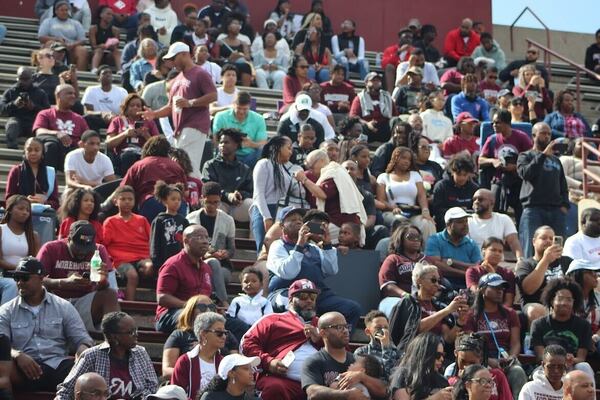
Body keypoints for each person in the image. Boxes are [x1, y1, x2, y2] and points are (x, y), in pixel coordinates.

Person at [0, 256, 94, 392]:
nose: (20, 282)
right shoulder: (6, 310)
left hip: (58, 366)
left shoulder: (63, 306)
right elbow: (1, 344)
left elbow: (82, 339)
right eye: (17, 278)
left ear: (41, 278)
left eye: (25, 278)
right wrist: (17, 354)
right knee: (3, 369)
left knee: (88, 368)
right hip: (23, 369)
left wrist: (82, 350)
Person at [267, 207, 362, 326]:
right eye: (292, 219)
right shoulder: (278, 246)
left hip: (315, 295)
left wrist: (327, 245)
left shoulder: (313, 247)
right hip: (286, 293)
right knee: (294, 305)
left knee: (352, 309)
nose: (298, 222)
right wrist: (299, 245)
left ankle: (333, 342)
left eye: (300, 220)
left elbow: (332, 270)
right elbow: (289, 272)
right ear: (282, 227)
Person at [140, 42, 217, 180]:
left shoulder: (200, 73)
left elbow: (213, 95)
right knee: (185, 166)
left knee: (185, 165)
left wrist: (190, 103)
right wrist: (154, 114)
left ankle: (192, 197)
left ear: (184, 54)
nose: (171, 63)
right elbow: (171, 107)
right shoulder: (176, 79)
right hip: (180, 129)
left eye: (173, 58)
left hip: (195, 125)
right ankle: (198, 192)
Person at [240, 279, 322, 400]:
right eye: (303, 296)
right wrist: (268, 362)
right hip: (283, 381)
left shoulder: (324, 323)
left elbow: (342, 351)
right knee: (275, 387)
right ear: (290, 299)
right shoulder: (273, 320)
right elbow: (246, 343)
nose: (309, 300)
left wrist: (321, 340)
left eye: (313, 297)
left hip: (320, 384)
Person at [38, 220, 120, 331]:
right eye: (78, 248)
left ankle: (112, 341)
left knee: (110, 294)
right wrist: (62, 283)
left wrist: (103, 281)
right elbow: (35, 280)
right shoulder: (50, 248)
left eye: (87, 249)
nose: (82, 252)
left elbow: (107, 287)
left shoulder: (99, 250)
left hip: (85, 302)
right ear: (69, 239)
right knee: (36, 290)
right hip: (55, 300)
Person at [56, 311, 158, 400]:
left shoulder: (140, 353)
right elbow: (66, 390)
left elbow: (152, 387)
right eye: (131, 332)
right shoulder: (91, 356)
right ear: (114, 337)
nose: (136, 334)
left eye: (136, 330)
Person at [463, 273, 527, 397]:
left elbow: (515, 342)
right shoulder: (472, 315)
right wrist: (488, 360)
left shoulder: (510, 313)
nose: (500, 291)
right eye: (495, 288)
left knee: (517, 371)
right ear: (482, 289)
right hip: (481, 360)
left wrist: (511, 357)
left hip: (506, 358)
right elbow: (469, 346)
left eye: (502, 288)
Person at [301, 311, 386, 400]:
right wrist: (346, 395)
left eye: (346, 326)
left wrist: (362, 377)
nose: (345, 331)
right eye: (339, 327)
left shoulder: (358, 361)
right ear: (323, 333)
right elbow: (312, 393)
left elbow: (383, 392)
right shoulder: (314, 361)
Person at [517, 122, 569, 257]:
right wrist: (543, 155)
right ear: (534, 135)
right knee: (531, 248)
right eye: (543, 133)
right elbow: (526, 174)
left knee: (558, 249)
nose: (547, 137)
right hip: (533, 209)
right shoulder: (525, 155)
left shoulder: (556, 160)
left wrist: (565, 205)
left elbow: (563, 184)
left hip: (556, 210)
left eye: (549, 134)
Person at [389, 262, 468, 350]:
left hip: (436, 355)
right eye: (433, 280)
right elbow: (415, 329)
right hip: (413, 353)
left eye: (439, 281)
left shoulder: (438, 306)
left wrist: (460, 322)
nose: (437, 284)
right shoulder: (408, 303)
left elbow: (448, 338)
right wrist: (447, 310)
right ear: (419, 280)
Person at [531, 278, 595, 381]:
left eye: (569, 300)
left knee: (584, 366)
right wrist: (558, 361)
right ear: (552, 300)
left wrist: (571, 359)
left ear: (574, 302)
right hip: (548, 367)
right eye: (560, 298)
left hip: (572, 367)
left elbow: (581, 358)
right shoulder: (538, 324)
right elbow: (540, 356)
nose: (564, 303)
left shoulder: (583, 325)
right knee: (538, 374)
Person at [162, 295, 239, 379]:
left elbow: (235, 365)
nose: (208, 310)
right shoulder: (179, 335)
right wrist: (196, 373)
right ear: (190, 310)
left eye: (211, 306)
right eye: (202, 307)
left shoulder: (226, 334)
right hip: (188, 384)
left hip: (220, 384)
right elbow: (166, 370)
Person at [295, 155, 367, 245]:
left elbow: (322, 194)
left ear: (321, 161)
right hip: (341, 222)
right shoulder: (337, 172)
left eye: (311, 165)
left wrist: (303, 179)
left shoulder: (334, 172)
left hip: (341, 223)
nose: (310, 169)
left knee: (307, 231)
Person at [155, 225, 213, 333]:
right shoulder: (173, 265)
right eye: (200, 237)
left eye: (206, 238)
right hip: (171, 314)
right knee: (198, 318)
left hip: (201, 312)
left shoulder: (206, 268)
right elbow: (162, 298)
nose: (205, 242)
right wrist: (191, 306)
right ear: (186, 241)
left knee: (236, 325)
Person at [479, 110, 533, 224]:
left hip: (518, 180)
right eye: (493, 123)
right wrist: (493, 161)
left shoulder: (521, 137)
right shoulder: (492, 139)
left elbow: (532, 158)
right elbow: (480, 160)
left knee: (522, 211)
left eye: (497, 123)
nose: (494, 125)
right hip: (499, 180)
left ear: (507, 123)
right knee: (493, 204)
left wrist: (515, 167)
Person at [186, 182, 235, 305]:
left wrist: (225, 253)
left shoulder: (228, 220)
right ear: (202, 199)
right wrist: (206, 256)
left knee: (212, 267)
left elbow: (232, 249)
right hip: (195, 264)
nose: (212, 206)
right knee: (210, 265)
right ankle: (223, 302)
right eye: (208, 202)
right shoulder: (191, 219)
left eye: (216, 202)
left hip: (222, 266)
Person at [250, 136, 300, 252]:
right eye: (288, 148)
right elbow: (258, 194)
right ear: (278, 148)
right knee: (264, 250)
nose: (291, 152)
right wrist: (266, 217)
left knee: (277, 250)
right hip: (264, 209)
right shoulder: (263, 163)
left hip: (280, 211)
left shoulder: (284, 168)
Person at [120, 136, 187, 222]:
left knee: (150, 234)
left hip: (150, 203)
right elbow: (186, 193)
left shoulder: (139, 165)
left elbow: (124, 189)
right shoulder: (176, 166)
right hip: (176, 204)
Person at [375, 146, 436, 238]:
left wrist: (425, 210)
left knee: (427, 223)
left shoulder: (415, 175)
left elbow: (421, 196)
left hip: (413, 212)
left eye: (409, 159)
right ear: (395, 158)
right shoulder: (383, 177)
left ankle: (428, 251)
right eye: (403, 158)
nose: (407, 161)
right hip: (392, 212)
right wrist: (392, 208)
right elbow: (381, 200)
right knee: (400, 221)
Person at [33, 84, 89, 170]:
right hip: (55, 151)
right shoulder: (45, 114)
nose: (73, 96)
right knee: (50, 145)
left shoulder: (79, 118)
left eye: (74, 94)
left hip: (72, 153)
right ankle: (47, 178)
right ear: (58, 95)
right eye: (69, 93)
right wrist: (57, 133)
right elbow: (39, 131)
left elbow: (88, 137)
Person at [201, 128, 253, 222]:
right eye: (221, 142)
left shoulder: (244, 169)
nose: (222, 145)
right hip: (218, 203)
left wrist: (239, 196)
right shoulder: (210, 165)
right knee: (216, 207)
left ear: (236, 145)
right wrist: (228, 196)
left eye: (226, 142)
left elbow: (249, 190)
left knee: (253, 206)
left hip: (237, 205)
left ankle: (254, 237)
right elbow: (208, 188)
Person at [171, 312, 226, 398]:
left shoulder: (224, 363)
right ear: (203, 334)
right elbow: (176, 395)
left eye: (225, 332)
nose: (224, 336)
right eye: (219, 332)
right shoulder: (185, 361)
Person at [425, 207, 482, 289]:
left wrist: (451, 262)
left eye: (466, 221)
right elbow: (436, 267)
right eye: (460, 222)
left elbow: (477, 269)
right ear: (448, 224)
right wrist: (466, 273)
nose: (465, 225)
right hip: (442, 284)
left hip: (467, 284)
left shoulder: (472, 244)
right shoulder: (435, 240)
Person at [378, 225, 429, 313]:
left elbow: (438, 282)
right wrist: (405, 295)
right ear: (401, 240)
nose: (416, 240)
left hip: (425, 299)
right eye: (411, 237)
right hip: (397, 299)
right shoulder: (393, 259)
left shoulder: (427, 260)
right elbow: (387, 286)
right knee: (405, 307)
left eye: (418, 237)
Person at [106, 93, 160, 176]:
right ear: (126, 107)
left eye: (138, 106)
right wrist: (125, 134)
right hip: (122, 156)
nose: (135, 107)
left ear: (142, 108)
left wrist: (146, 135)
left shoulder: (149, 122)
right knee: (128, 156)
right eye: (132, 105)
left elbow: (158, 146)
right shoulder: (117, 121)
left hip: (143, 154)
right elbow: (108, 144)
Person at [445, 333, 512, 400]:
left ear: (481, 360)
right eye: (463, 361)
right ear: (456, 354)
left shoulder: (497, 376)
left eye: (472, 363)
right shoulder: (451, 383)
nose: (466, 367)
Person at [389, 332, 453, 400]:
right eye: (437, 355)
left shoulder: (442, 381)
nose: (442, 359)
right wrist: (435, 398)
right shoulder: (403, 375)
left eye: (443, 355)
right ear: (425, 354)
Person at [0, 196, 39, 305]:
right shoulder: (1, 230)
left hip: (25, 277)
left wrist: (25, 272)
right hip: (3, 276)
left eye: (27, 210)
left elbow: (36, 260)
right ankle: (4, 319)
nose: (25, 212)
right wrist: (20, 269)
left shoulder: (33, 236)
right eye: (21, 209)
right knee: (12, 285)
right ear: (10, 209)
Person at [212, 91, 268, 168]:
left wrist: (251, 144)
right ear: (233, 105)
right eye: (238, 108)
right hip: (227, 153)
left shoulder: (259, 119)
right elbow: (216, 140)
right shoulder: (221, 117)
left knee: (262, 152)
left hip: (249, 156)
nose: (241, 112)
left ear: (250, 106)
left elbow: (263, 143)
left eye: (245, 109)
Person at [0, 66, 49, 149]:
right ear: (17, 78)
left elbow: (48, 112)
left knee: (41, 129)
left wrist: (34, 107)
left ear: (31, 78)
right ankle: (12, 149)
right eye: (21, 79)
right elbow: (2, 110)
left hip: (33, 122)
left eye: (26, 79)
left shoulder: (40, 93)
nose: (24, 82)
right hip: (17, 120)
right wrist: (14, 104)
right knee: (12, 124)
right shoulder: (10, 91)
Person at [5, 137, 59, 209]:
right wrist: (25, 201)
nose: (33, 153)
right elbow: (9, 199)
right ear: (25, 152)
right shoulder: (16, 170)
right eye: (29, 150)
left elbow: (55, 203)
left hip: (44, 215)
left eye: (36, 150)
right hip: (20, 212)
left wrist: (44, 202)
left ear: (42, 152)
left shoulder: (50, 172)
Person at [431, 155, 478, 230]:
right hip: (446, 224)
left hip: (469, 224)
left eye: (465, 175)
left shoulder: (474, 188)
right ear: (452, 172)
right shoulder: (441, 186)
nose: (462, 178)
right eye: (459, 174)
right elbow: (437, 210)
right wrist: (457, 211)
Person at [38, 1, 88, 70]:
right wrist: (57, 39)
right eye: (62, 10)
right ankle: (50, 70)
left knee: (82, 50)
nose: (64, 12)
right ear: (56, 11)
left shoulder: (75, 23)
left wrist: (73, 44)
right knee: (50, 43)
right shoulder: (48, 21)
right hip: (55, 46)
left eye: (66, 10)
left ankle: (80, 75)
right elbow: (41, 37)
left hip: (71, 48)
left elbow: (83, 40)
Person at [226, 267, 273, 341]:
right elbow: (231, 318)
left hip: (258, 333)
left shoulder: (265, 302)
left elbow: (268, 319)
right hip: (240, 332)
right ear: (241, 285)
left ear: (261, 284)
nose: (249, 284)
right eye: (246, 281)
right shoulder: (237, 301)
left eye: (254, 281)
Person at [466, 237, 516, 305]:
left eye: (500, 251)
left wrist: (493, 274)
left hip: (502, 312)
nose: (497, 254)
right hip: (479, 308)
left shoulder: (508, 273)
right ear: (483, 251)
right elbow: (476, 293)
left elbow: (509, 301)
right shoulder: (473, 271)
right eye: (493, 250)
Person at [150, 181, 188, 270]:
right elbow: (154, 243)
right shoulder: (159, 220)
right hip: (165, 262)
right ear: (164, 201)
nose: (176, 202)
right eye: (173, 199)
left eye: (179, 199)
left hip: (182, 263)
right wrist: (156, 263)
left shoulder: (183, 220)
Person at [353, 310, 401, 381]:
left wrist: (386, 348)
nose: (383, 331)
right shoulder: (362, 352)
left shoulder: (396, 352)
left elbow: (391, 378)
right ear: (368, 332)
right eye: (378, 328)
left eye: (386, 327)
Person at [350, 72, 397, 143]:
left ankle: (394, 144)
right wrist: (367, 124)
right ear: (366, 83)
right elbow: (353, 116)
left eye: (378, 80)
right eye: (373, 80)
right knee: (358, 126)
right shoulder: (359, 98)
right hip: (367, 127)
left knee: (396, 121)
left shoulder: (387, 97)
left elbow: (395, 115)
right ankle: (361, 147)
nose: (376, 82)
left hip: (384, 128)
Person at [81, 66, 127, 130]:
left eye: (110, 73)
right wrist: (102, 113)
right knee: (87, 118)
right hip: (99, 119)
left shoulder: (122, 91)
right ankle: (95, 138)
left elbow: (126, 110)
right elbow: (87, 112)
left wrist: (114, 117)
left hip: (116, 119)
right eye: (104, 73)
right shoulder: (91, 90)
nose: (108, 74)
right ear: (99, 78)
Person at [212, 17, 253, 87]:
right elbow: (215, 58)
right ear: (228, 27)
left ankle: (245, 91)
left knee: (246, 66)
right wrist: (229, 59)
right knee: (227, 65)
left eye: (239, 25)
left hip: (239, 65)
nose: (238, 26)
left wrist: (239, 55)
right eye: (235, 24)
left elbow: (248, 57)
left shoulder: (243, 43)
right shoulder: (220, 42)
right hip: (225, 64)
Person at [89, 7, 121, 72]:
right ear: (101, 15)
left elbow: (116, 47)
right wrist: (101, 46)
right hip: (96, 53)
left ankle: (120, 70)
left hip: (109, 54)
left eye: (112, 15)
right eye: (108, 14)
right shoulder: (94, 29)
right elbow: (93, 46)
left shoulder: (115, 30)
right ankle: (94, 69)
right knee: (99, 50)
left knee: (117, 52)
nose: (110, 16)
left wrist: (111, 46)